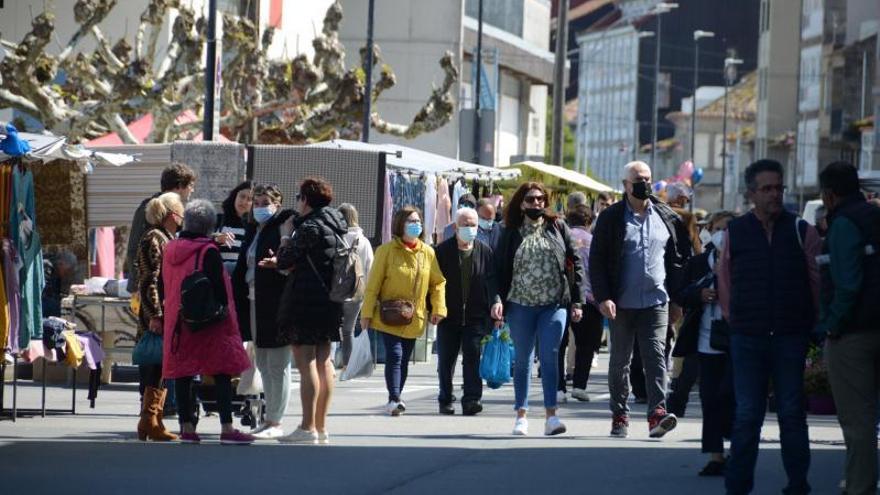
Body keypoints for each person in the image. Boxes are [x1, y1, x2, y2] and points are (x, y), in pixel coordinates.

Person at [717, 159, 820, 495]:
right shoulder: (735, 231)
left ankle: (797, 484)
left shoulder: (801, 229)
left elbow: (816, 281)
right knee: (748, 415)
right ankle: (738, 486)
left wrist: (812, 323)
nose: (775, 194)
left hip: (791, 335)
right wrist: (737, 321)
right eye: (767, 189)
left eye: (779, 187)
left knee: (792, 413)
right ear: (751, 194)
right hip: (748, 336)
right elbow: (725, 281)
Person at [590, 161, 692, 439]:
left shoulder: (665, 215)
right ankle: (619, 414)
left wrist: (677, 299)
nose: (643, 183)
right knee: (620, 362)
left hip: (656, 301)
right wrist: (603, 297)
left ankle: (657, 413)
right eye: (638, 179)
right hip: (620, 304)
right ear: (625, 185)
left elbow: (679, 260)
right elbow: (597, 260)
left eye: (647, 178)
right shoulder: (611, 218)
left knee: (656, 358)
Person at [161, 199, 254, 445]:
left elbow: (164, 285)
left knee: (183, 373)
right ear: (210, 226)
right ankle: (226, 427)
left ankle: (187, 427)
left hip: (178, 319)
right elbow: (221, 290)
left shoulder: (170, 248)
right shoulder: (208, 250)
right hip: (207, 321)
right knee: (221, 371)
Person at [496, 182, 584, 437]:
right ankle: (521, 415)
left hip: (553, 304)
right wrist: (497, 299)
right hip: (520, 304)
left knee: (549, 356)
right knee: (522, 359)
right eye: (531, 199)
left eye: (541, 199)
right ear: (521, 203)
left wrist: (577, 301)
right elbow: (498, 269)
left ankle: (551, 416)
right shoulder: (510, 231)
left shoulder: (558, 227)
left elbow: (575, 262)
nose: (537, 203)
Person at [815, 161, 880, 495]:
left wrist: (833, 325)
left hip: (854, 334)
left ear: (829, 194)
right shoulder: (873, 216)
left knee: (858, 421)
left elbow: (848, 283)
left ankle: (859, 486)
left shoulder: (843, 224)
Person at [273, 178, 348, 444]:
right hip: (331, 301)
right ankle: (321, 426)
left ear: (305, 200)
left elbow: (284, 260)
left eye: (298, 197)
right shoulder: (337, 224)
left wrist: (286, 234)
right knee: (324, 362)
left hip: (306, 301)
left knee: (306, 364)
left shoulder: (310, 227)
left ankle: (306, 428)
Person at [361, 206, 447, 417]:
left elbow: (438, 283)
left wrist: (439, 307)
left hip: (413, 316)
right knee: (395, 355)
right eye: (411, 221)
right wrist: (366, 313)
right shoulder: (386, 251)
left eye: (418, 221)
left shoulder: (427, 252)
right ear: (400, 224)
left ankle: (396, 396)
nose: (415, 225)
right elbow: (373, 285)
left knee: (404, 358)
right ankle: (394, 398)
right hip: (388, 315)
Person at [232, 183, 296, 440]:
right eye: (255, 203)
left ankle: (275, 420)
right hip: (254, 302)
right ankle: (270, 419)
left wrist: (278, 264)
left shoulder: (284, 227)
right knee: (264, 362)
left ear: (277, 204)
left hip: (276, 302)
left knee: (278, 363)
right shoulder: (255, 230)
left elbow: (289, 263)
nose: (258, 208)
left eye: (264, 203)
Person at [673, 212, 735, 476]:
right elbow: (680, 293)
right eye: (717, 228)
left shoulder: (744, 262)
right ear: (709, 231)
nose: (722, 234)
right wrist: (700, 294)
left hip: (737, 341)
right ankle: (715, 455)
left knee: (730, 395)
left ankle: (736, 446)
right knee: (709, 398)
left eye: (728, 229)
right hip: (705, 340)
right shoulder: (699, 263)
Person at [435, 207, 502, 416]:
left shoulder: (484, 250)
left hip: (476, 315)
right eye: (466, 225)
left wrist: (496, 302)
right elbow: (434, 282)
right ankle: (445, 398)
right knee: (446, 360)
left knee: (473, 357)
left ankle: (472, 399)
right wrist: (434, 308)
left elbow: (492, 281)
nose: (470, 228)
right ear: (456, 227)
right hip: (448, 315)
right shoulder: (442, 251)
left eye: (473, 225)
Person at [135, 192, 184, 442]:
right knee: (153, 366)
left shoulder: (167, 237)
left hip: (165, 311)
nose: (183, 215)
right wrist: (155, 314)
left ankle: (152, 420)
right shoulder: (154, 238)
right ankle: (149, 420)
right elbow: (149, 280)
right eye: (180, 210)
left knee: (161, 367)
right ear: (171, 214)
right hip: (155, 313)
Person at [125, 163, 196, 295]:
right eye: (191, 185)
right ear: (180, 186)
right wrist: (139, 286)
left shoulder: (178, 209)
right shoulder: (149, 207)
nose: (192, 190)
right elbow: (134, 249)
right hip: (150, 289)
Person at [565, 205, 604, 402]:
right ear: (589, 221)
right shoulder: (594, 241)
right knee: (586, 346)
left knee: (559, 344)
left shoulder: (562, 237)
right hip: (589, 299)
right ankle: (580, 385)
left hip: (562, 299)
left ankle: (558, 387)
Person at [337, 203, 374, 368]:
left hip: (336, 289)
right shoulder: (364, 241)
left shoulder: (337, 237)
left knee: (331, 328)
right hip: (357, 291)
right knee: (348, 330)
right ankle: (347, 364)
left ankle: (329, 361)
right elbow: (370, 267)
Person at [217, 181, 252, 272]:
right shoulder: (218, 220)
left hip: (241, 278)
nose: (244, 202)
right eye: (242, 196)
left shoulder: (254, 226)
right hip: (218, 276)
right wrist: (217, 240)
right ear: (235, 196)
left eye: (249, 199)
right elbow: (203, 242)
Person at [42, 250, 77, 318]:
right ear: (61, 264)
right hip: (41, 300)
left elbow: (56, 291)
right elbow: (45, 290)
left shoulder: (57, 271)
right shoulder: (47, 267)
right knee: (53, 305)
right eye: (67, 271)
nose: (66, 274)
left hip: (47, 299)